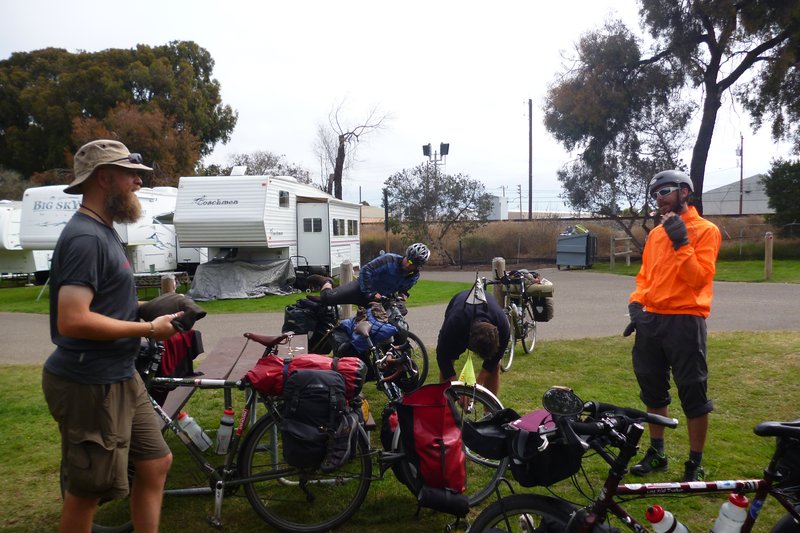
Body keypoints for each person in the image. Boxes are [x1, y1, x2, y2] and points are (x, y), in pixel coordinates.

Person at [41, 139, 181, 533]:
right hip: (90, 382)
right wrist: (148, 329)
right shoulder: (85, 238)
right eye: (131, 174)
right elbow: (72, 320)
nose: (138, 182)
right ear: (105, 178)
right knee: (90, 489)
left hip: (119, 373)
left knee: (155, 463)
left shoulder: (104, 231)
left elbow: (101, 306)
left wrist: (147, 310)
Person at [624, 169, 721, 482]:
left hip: (685, 319)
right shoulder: (654, 235)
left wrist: (681, 241)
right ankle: (658, 452)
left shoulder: (706, 230)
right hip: (651, 320)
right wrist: (636, 305)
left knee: (693, 391)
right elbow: (645, 278)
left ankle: (695, 462)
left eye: (664, 191)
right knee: (652, 389)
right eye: (655, 194)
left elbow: (698, 278)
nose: (659, 198)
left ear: (684, 192)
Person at [308, 242, 430, 307]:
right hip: (360, 288)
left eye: (413, 264)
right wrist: (370, 292)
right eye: (408, 260)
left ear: (418, 266)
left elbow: (403, 290)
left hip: (378, 300)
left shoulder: (414, 276)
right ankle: (326, 282)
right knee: (326, 299)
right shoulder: (389, 259)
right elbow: (366, 270)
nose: (408, 265)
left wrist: (403, 295)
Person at [436, 289, 510, 396]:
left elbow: (494, 360)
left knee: (494, 367)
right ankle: (446, 409)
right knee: (447, 365)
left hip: (487, 311)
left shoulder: (503, 326)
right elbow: (442, 357)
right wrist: (456, 388)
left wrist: (477, 386)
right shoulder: (454, 324)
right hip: (459, 305)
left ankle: (489, 412)